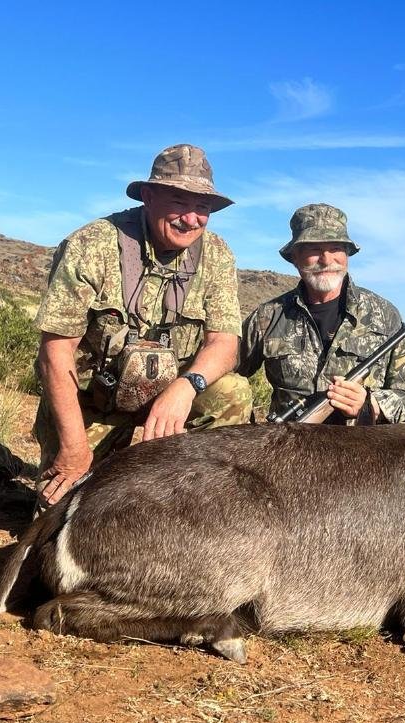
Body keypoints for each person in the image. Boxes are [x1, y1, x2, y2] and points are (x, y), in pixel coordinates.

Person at [33, 144, 251, 509]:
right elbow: (55, 353)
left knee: (232, 392)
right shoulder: (91, 244)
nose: (192, 218)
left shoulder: (218, 254)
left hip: (171, 403)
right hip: (94, 399)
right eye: (180, 202)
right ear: (148, 196)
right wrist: (74, 450)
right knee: (62, 514)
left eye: (203, 208)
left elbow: (224, 344)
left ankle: (201, 502)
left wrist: (185, 387)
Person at [239, 203, 405, 424]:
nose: (327, 260)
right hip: (288, 450)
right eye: (314, 249)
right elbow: (225, 373)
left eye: (336, 248)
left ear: (347, 254)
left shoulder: (385, 315)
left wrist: (371, 403)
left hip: (361, 451)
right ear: (295, 258)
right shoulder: (268, 316)